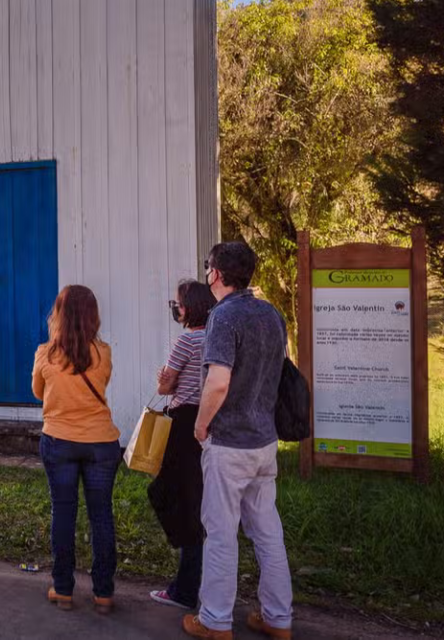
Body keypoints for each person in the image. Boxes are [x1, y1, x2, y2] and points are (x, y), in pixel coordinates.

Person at [183, 242, 293, 640]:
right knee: (268, 532)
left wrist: (201, 425)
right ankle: (278, 618)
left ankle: (214, 621)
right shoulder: (271, 314)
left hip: (229, 443)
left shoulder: (223, 316)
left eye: (208, 267)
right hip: (264, 441)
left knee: (220, 533)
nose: (206, 272)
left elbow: (218, 381)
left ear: (216, 273)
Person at [31, 285, 121, 615]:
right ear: (92, 316)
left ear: (59, 315)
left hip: (59, 440)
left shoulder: (45, 353)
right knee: (101, 515)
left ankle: (63, 589)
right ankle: (103, 593)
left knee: (63, 513)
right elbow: (102, 383)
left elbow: (38, 392)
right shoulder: (103, 352)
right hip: (101, 443)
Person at [148, 280, 217, 611]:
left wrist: (165, 380)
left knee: (166, 494)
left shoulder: (187, 340)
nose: (176, 309)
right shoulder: (216, 337)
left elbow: (165, 386)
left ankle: (185, 588)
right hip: (210, 421)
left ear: (188, 307)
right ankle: (194, 578)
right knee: (197, 500)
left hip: (183, 422)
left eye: (177, 303)